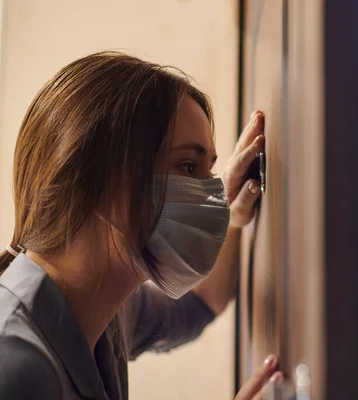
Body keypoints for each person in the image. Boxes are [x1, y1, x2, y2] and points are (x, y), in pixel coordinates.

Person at [0, 52, 280, 400]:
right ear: (101, 179)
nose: (212, 195)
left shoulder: (107, 313)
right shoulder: (13, 365)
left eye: (210, 172)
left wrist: (234, 217)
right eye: (190, 168)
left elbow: (203, 301)